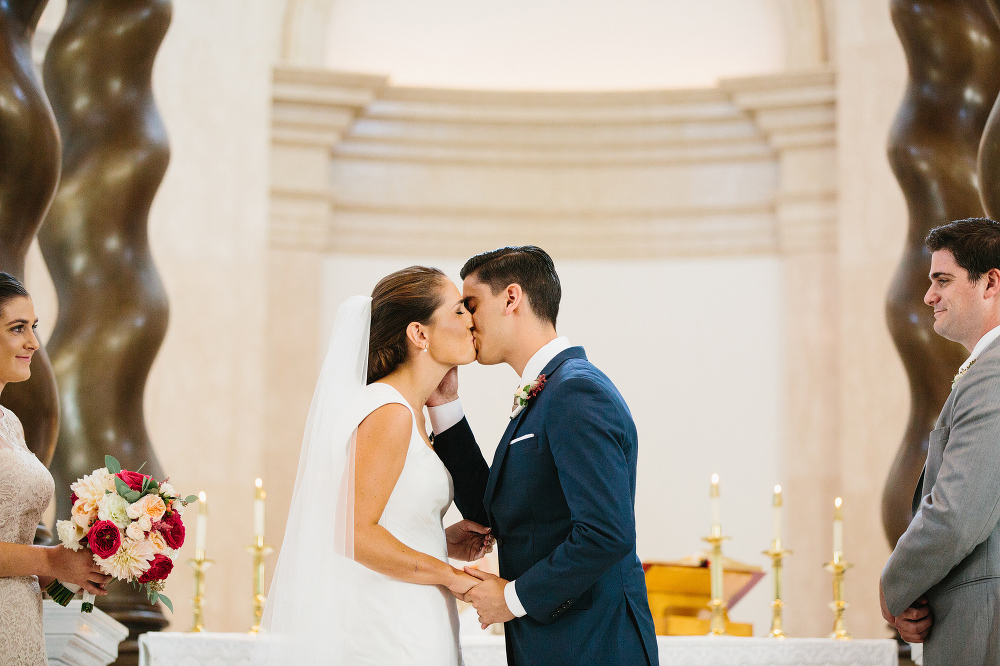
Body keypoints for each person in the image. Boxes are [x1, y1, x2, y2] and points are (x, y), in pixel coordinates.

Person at [427, 246, 659, 666]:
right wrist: (444, 404)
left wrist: (512, 599)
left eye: (472, 305)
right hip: (555, 645)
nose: (467, 322)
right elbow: (495, 509)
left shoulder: (576, 391)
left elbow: (608, 532)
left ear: (511, 298)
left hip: (594, 646)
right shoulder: (551, 390)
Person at [254, 266, 494, 665]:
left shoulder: (410, 411)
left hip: (416, 614)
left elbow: (380, 518)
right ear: (419, 334)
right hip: (391, 624)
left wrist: (438, 538)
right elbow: (353, 533)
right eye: (458, 311)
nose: (471, 320)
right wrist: (451, 575)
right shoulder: (390, 411)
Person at [881, 218, 1000, 664]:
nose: (929, 296)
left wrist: (895, 584)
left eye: (943, 281)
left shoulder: (993, 374)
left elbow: (957, 515)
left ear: (990, 283)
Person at [0, 272, 110, 665]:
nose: (33, 342)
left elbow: (18, 553)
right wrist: (49, 560)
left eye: (33, 327)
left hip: (20, 625)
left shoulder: (9, 423)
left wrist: (73, 570)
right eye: (18, 328)